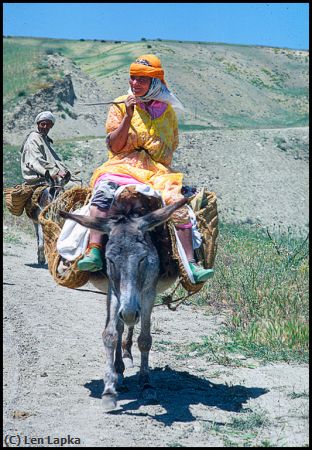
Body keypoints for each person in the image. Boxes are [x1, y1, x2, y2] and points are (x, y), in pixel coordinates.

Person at [78, 54, 214, 284]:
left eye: (142, 79)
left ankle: (190, 264)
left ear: (155, 82)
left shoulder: (167, 112)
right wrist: (128, 116)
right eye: (132, 78)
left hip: (155, 170)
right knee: (104, 190)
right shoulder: (120, 104)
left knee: (176, 201)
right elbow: (114, 145)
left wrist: (149, 151)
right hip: (122, 164)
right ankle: (94, 250)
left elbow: (167, 150)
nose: (134, 84)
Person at [20, 111, 78, 188]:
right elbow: (36, 160)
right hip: (40, 178)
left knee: (78, 183)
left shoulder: (44, 139)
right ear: (38, 124)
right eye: (42, 124)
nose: (45, 127)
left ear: (51, 126)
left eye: (48, 124)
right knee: (73, 187)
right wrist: (56, 171)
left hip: (51, 177)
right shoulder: (34, 138)